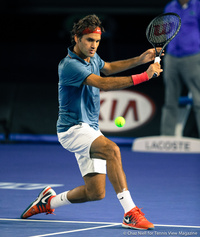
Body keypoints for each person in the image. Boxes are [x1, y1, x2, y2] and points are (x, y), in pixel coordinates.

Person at [21, 14, 163, 230]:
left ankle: (48, 202)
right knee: (112, 150)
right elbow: (102, 82)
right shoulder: (69, 65)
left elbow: (108, 67)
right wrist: (145, 75)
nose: (94, 45)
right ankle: (130, 213)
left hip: (90, 129)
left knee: (95, 192)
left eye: (97, 41)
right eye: (89, 40)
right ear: (77, 38)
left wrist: (140, 59)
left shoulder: (92, 57)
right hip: (72, 130)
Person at [160, 0, 200, 137]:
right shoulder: (170, 7)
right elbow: (166, 30)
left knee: (198, 99)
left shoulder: (197, 5)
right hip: (171, 57)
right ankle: (166, 138)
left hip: (193, 57)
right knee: (170, 100)